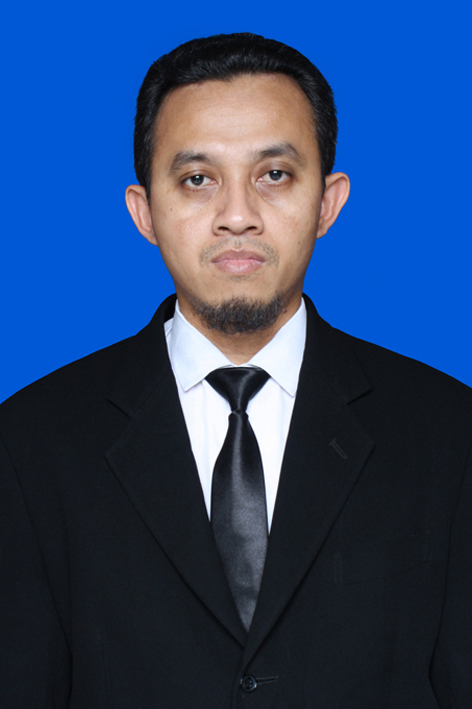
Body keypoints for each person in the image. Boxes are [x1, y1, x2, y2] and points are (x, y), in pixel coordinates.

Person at [0, 32, 471, 709]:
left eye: (273, 174)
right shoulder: (30, 440)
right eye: (198, 179)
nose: (238, 216)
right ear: (144, 212)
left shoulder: (448, 431)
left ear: (328, 202)